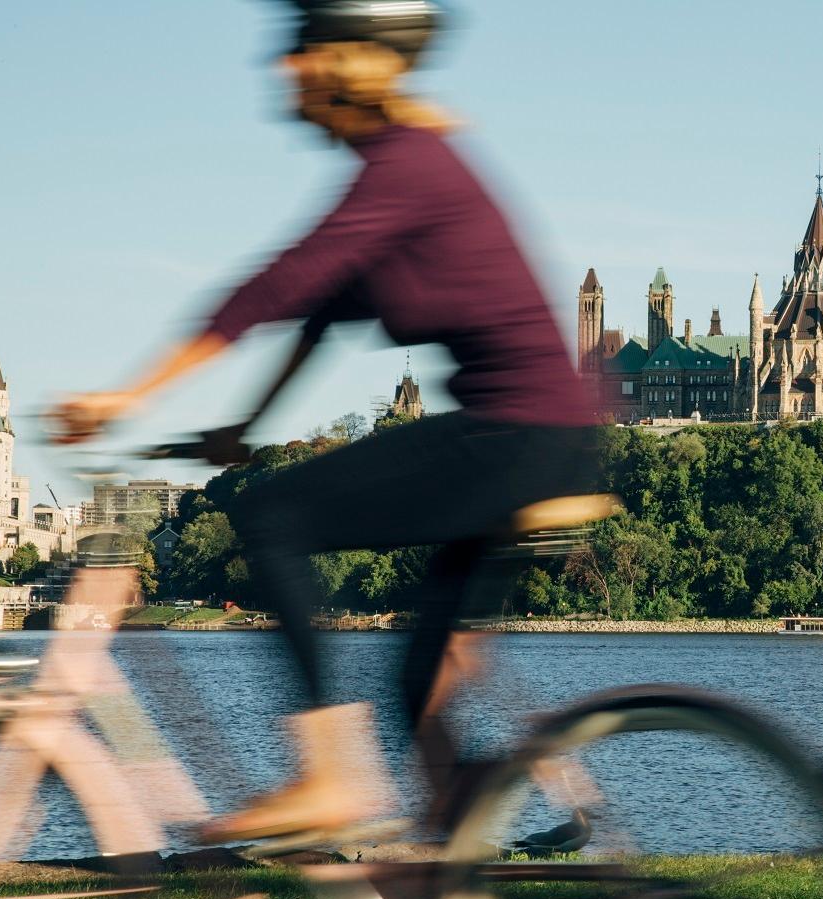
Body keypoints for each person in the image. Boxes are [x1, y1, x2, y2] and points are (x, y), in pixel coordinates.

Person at [51, 0, 597, 842]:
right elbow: (323, 312)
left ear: (348, 64)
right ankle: (462, 867)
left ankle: (330, 778)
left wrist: (127, 398)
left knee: (271, 514)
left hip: (514, 436)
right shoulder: (407, 167)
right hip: (544, 443)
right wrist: (243, 424)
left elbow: (279, 285)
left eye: (297, 51)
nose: (280, 70)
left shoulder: (408, 164)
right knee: (416, 681)